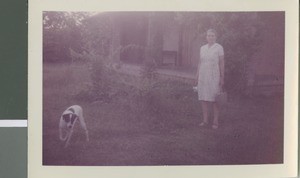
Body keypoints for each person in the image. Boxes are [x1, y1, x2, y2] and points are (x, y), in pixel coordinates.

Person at [196, 29, 224, 129]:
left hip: (214, 76)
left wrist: (222, 77)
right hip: (203, 76)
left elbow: (221, 63)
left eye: (212, 35)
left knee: (214, 98)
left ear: (215, 37)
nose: (210, 37)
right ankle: (205, 120)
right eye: (208, 35)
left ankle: (215, 121)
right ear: (206, 37)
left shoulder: (219, 47)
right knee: (203, 97)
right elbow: (200, 62)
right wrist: (197, 74)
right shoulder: (202, 48)